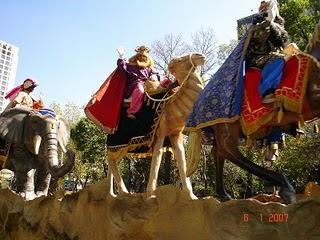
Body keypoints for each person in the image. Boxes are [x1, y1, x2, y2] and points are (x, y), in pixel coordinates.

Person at [247, 0, 289, 103]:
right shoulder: (256, 24)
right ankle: (267, 91)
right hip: (257, 58)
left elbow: (281, 43)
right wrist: (268, 19)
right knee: (278, 58)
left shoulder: (277, 26)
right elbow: (259, 37)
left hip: (272, 54)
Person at [116, 45, 164, 119]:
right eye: (140, 55)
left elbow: (155, 73)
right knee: (140, 90)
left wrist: (154, 75)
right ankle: (131, 111)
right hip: (136, 84)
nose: (142, 57)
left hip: (149, 83)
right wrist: (121, 56)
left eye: (144, 56)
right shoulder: (131, 66)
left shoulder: (148, 68)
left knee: (164, 83)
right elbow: (122, 67)